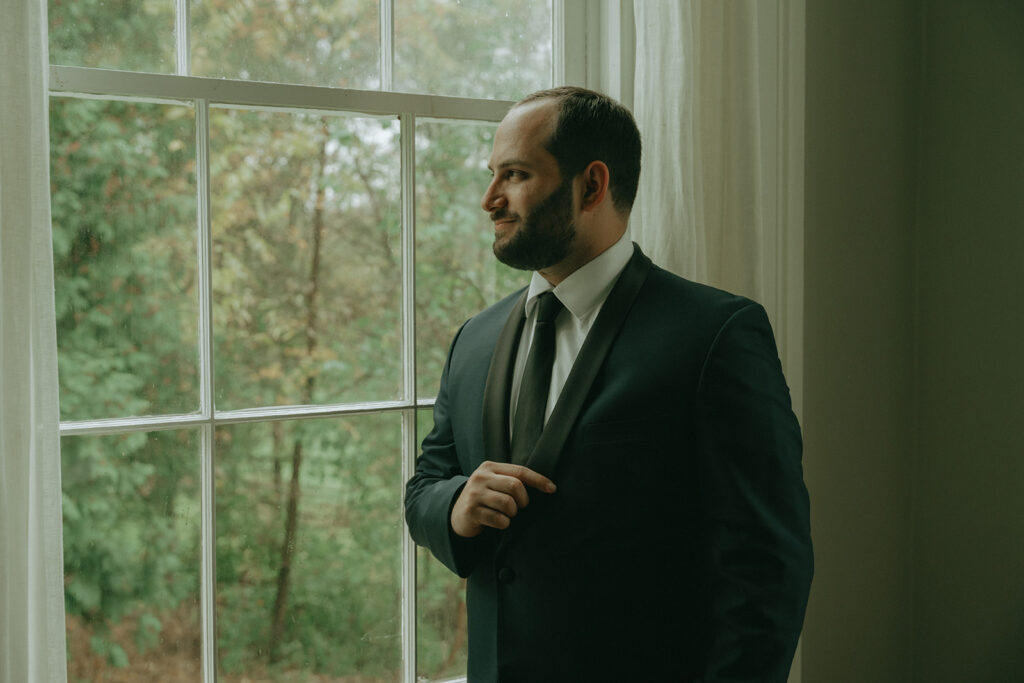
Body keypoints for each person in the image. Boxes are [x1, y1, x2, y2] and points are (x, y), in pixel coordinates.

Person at [404, 86, 812, 683]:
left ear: (591, 186)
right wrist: (457, 505)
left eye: (515, 174)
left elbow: (766, 568)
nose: (489, 199)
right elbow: (423, 489)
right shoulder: (476, 339)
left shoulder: (715, 335)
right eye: (493, 175)